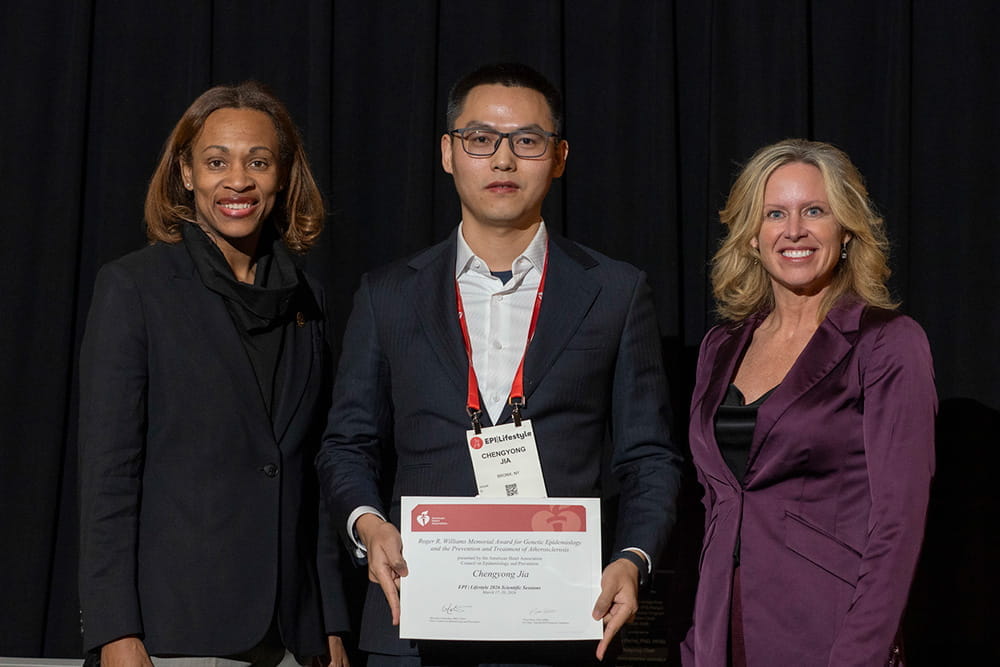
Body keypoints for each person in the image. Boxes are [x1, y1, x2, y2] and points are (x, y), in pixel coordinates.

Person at [315, 62, 683, 666]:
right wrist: (368, 525)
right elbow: (347, 444)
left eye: (527, 141)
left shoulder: (615, 292)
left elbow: (648, 456)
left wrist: (633, 558)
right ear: (448, 153)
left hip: (562, 624)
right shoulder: (386, 295)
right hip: (414, 623)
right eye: (481, 139)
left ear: (559, 157)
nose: (503, 161)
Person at [78, 82, 350, 667]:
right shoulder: (135, 288)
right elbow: (109, 476)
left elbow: (313, 476)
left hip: (293, 634)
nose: (238, 181)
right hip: (173, 631)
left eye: (258, 161)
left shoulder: (311, 301)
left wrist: (330, 621)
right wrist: (114, 632)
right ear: (185, 172)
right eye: (216, 161)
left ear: (282, 176)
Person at [681, 139, 936, 666]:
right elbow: (715, 504)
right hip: (719, 635)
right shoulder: (720, 346)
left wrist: (859, 654)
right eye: (775, 213)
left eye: (814, 211)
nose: (793, 230)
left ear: (845, 230)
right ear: (752, 236)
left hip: (826, 631)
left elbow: (898, 524)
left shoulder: (888, 342)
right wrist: (696, 642)